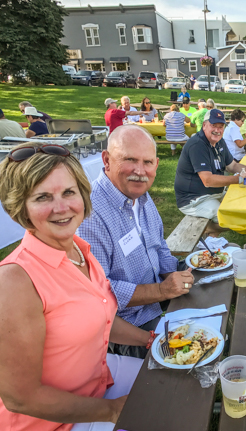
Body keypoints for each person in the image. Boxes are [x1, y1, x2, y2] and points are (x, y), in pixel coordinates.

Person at [0, 142, 152, 430]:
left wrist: (149, 340)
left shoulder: (79, 249)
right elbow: (20, 398)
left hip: (98, 383)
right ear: (20, 207)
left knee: (174, 383)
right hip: (53, 421)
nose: (61, 208)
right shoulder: (14, 282)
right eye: (42, 197)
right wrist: (112, 410)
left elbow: (100, 317)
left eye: (69, 192)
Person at [77, 126, 194, 358]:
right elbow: (101, 292)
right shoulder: (90, 214)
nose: (140, 171)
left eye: (148, 162)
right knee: (185, 366)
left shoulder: (140, 196)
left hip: (155, 303)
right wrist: (162, 290)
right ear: (107, 160)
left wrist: (176, 276)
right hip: (127, 327)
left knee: (216, 306)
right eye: (130, 160)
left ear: (157, 164)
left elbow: (158, 245)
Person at [174, 109, 246, 232]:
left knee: (244, 208)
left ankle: (211, 235)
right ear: (204, 125)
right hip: (194, 200)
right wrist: (239, 179)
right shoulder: (197, 145)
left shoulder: (219, 142)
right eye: (213, 126)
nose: (217, 130)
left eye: (221, 127)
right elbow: (208, 180)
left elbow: (233, 166)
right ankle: (206, 231)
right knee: (231, 219)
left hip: (213, 194)